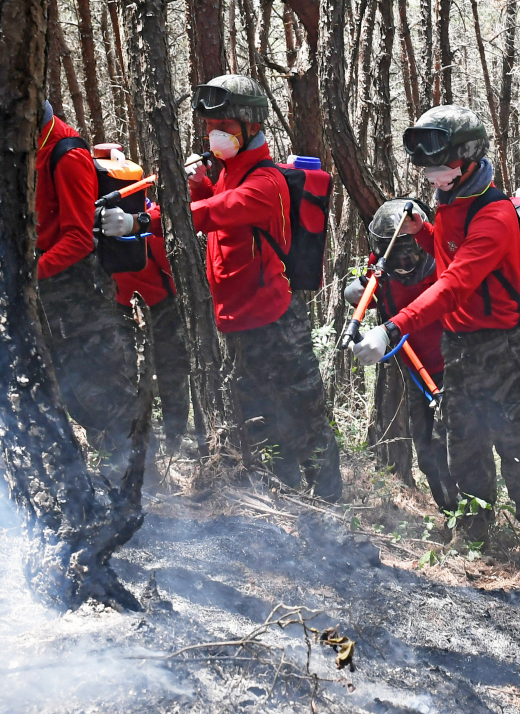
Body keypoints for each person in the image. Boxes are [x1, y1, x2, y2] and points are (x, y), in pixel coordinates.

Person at [102, 75, 342, 501]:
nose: (215, 133)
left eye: (226, 126)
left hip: (276, 320)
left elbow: (217, 211)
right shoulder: (228, 172)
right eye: (211, 125)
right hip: (237, 320)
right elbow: (209, 198)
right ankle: (282, 497)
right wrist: (193, 182)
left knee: (304, 414)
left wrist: (142, 222)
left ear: (250, 127)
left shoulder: (266, 183)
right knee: (260, 417)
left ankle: (330, 505)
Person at [350, 105, 520, 579]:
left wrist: (392, 327)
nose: (431, 173)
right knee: (463, 446)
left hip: (505, 349)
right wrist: (421, 231)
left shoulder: (495, 216)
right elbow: (447, 256)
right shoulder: (449, 202)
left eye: (439, 164)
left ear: (467, 158)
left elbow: (454, 284)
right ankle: (473, 538)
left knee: (519, 448)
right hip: (461, 348)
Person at [36, 100, 140, 472]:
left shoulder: (67, 154)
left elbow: (79, 239)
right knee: (71, 393)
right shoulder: (21, 147)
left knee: (105, 391)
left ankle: (141, 484)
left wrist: (32, 273)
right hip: (47, 296)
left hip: (79, 296)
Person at [344, 199, 456, 513]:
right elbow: (372, 282)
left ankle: (474, 526)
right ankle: (450, 516)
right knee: (426, 449)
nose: (403, 265)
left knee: (452, 448)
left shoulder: (443, 264)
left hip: (457, 369)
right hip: (418, 372)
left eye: (409, 255)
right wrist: (360, 289)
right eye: (396, 257)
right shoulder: (382, 263)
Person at [110, 198, 191, 457]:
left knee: (172, 374)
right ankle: (148, 444)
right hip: (124, 308)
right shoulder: (102, 222)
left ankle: (173, 442)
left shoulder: (152, 219)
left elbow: (170, 268)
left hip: (160, 307)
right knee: (137, 376)